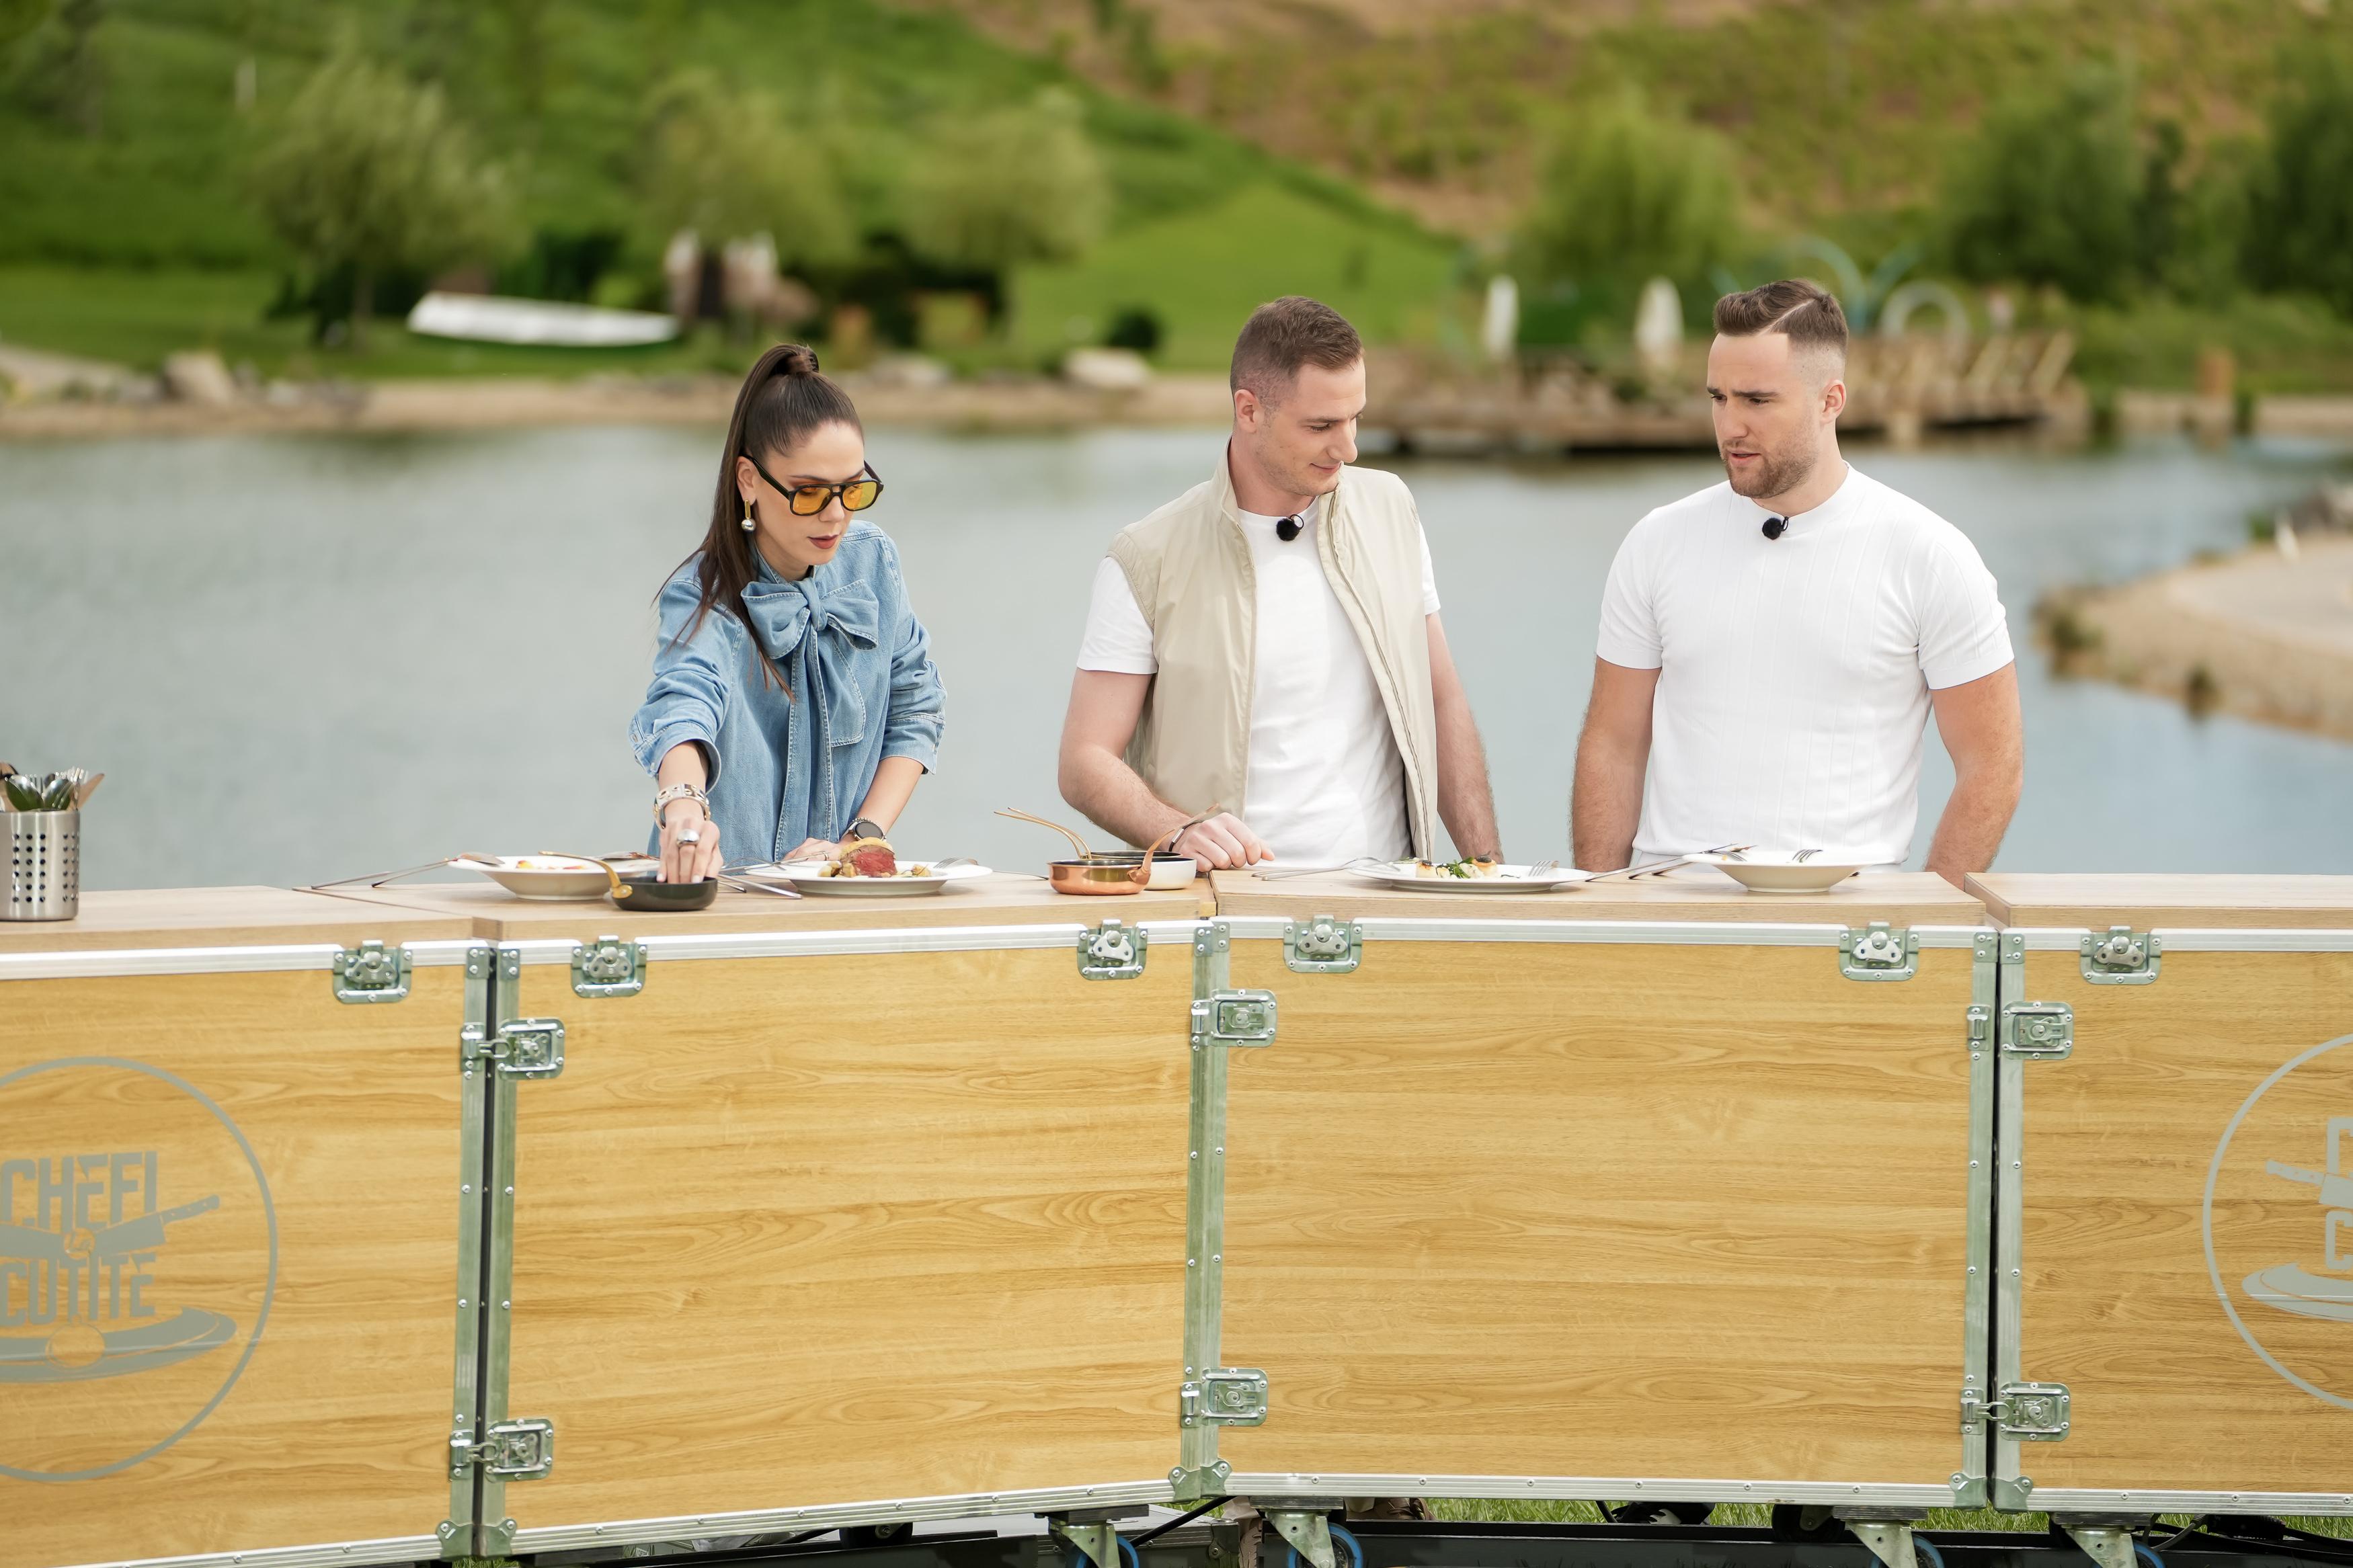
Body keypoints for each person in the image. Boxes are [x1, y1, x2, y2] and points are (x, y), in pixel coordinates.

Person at [1571, 279, 2022, 882]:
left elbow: (1993, 764)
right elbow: (1613, 745)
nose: (1730, 425)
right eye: (1718, 397)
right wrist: (1600, 909)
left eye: (1757, 401)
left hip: (1850, 921)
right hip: (1671, 910)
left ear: (1830, 400)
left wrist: (1927, 914)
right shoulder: (1656, 542)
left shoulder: (1933, 557)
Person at [1058, 296, 1501, 872]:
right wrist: (1178, 831)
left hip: (1390, 898)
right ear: (1248, 410)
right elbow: (1085, 760)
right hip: (1223, 906)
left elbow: (1442, 700)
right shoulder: (1146, 556)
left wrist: (1488, 870)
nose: (1348, 448)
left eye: (1355, 418)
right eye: (1321, 425)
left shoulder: (1392, 509)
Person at [632, 343, 945, 883]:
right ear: (749, 480)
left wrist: (861, 839)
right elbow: (683, 703)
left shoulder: (874, 561)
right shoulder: (703, 592)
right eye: (809, 493)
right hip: (723, 895)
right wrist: (683, 808)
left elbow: (916, 707)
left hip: (844, 897)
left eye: (852, 489)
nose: (835, 515)